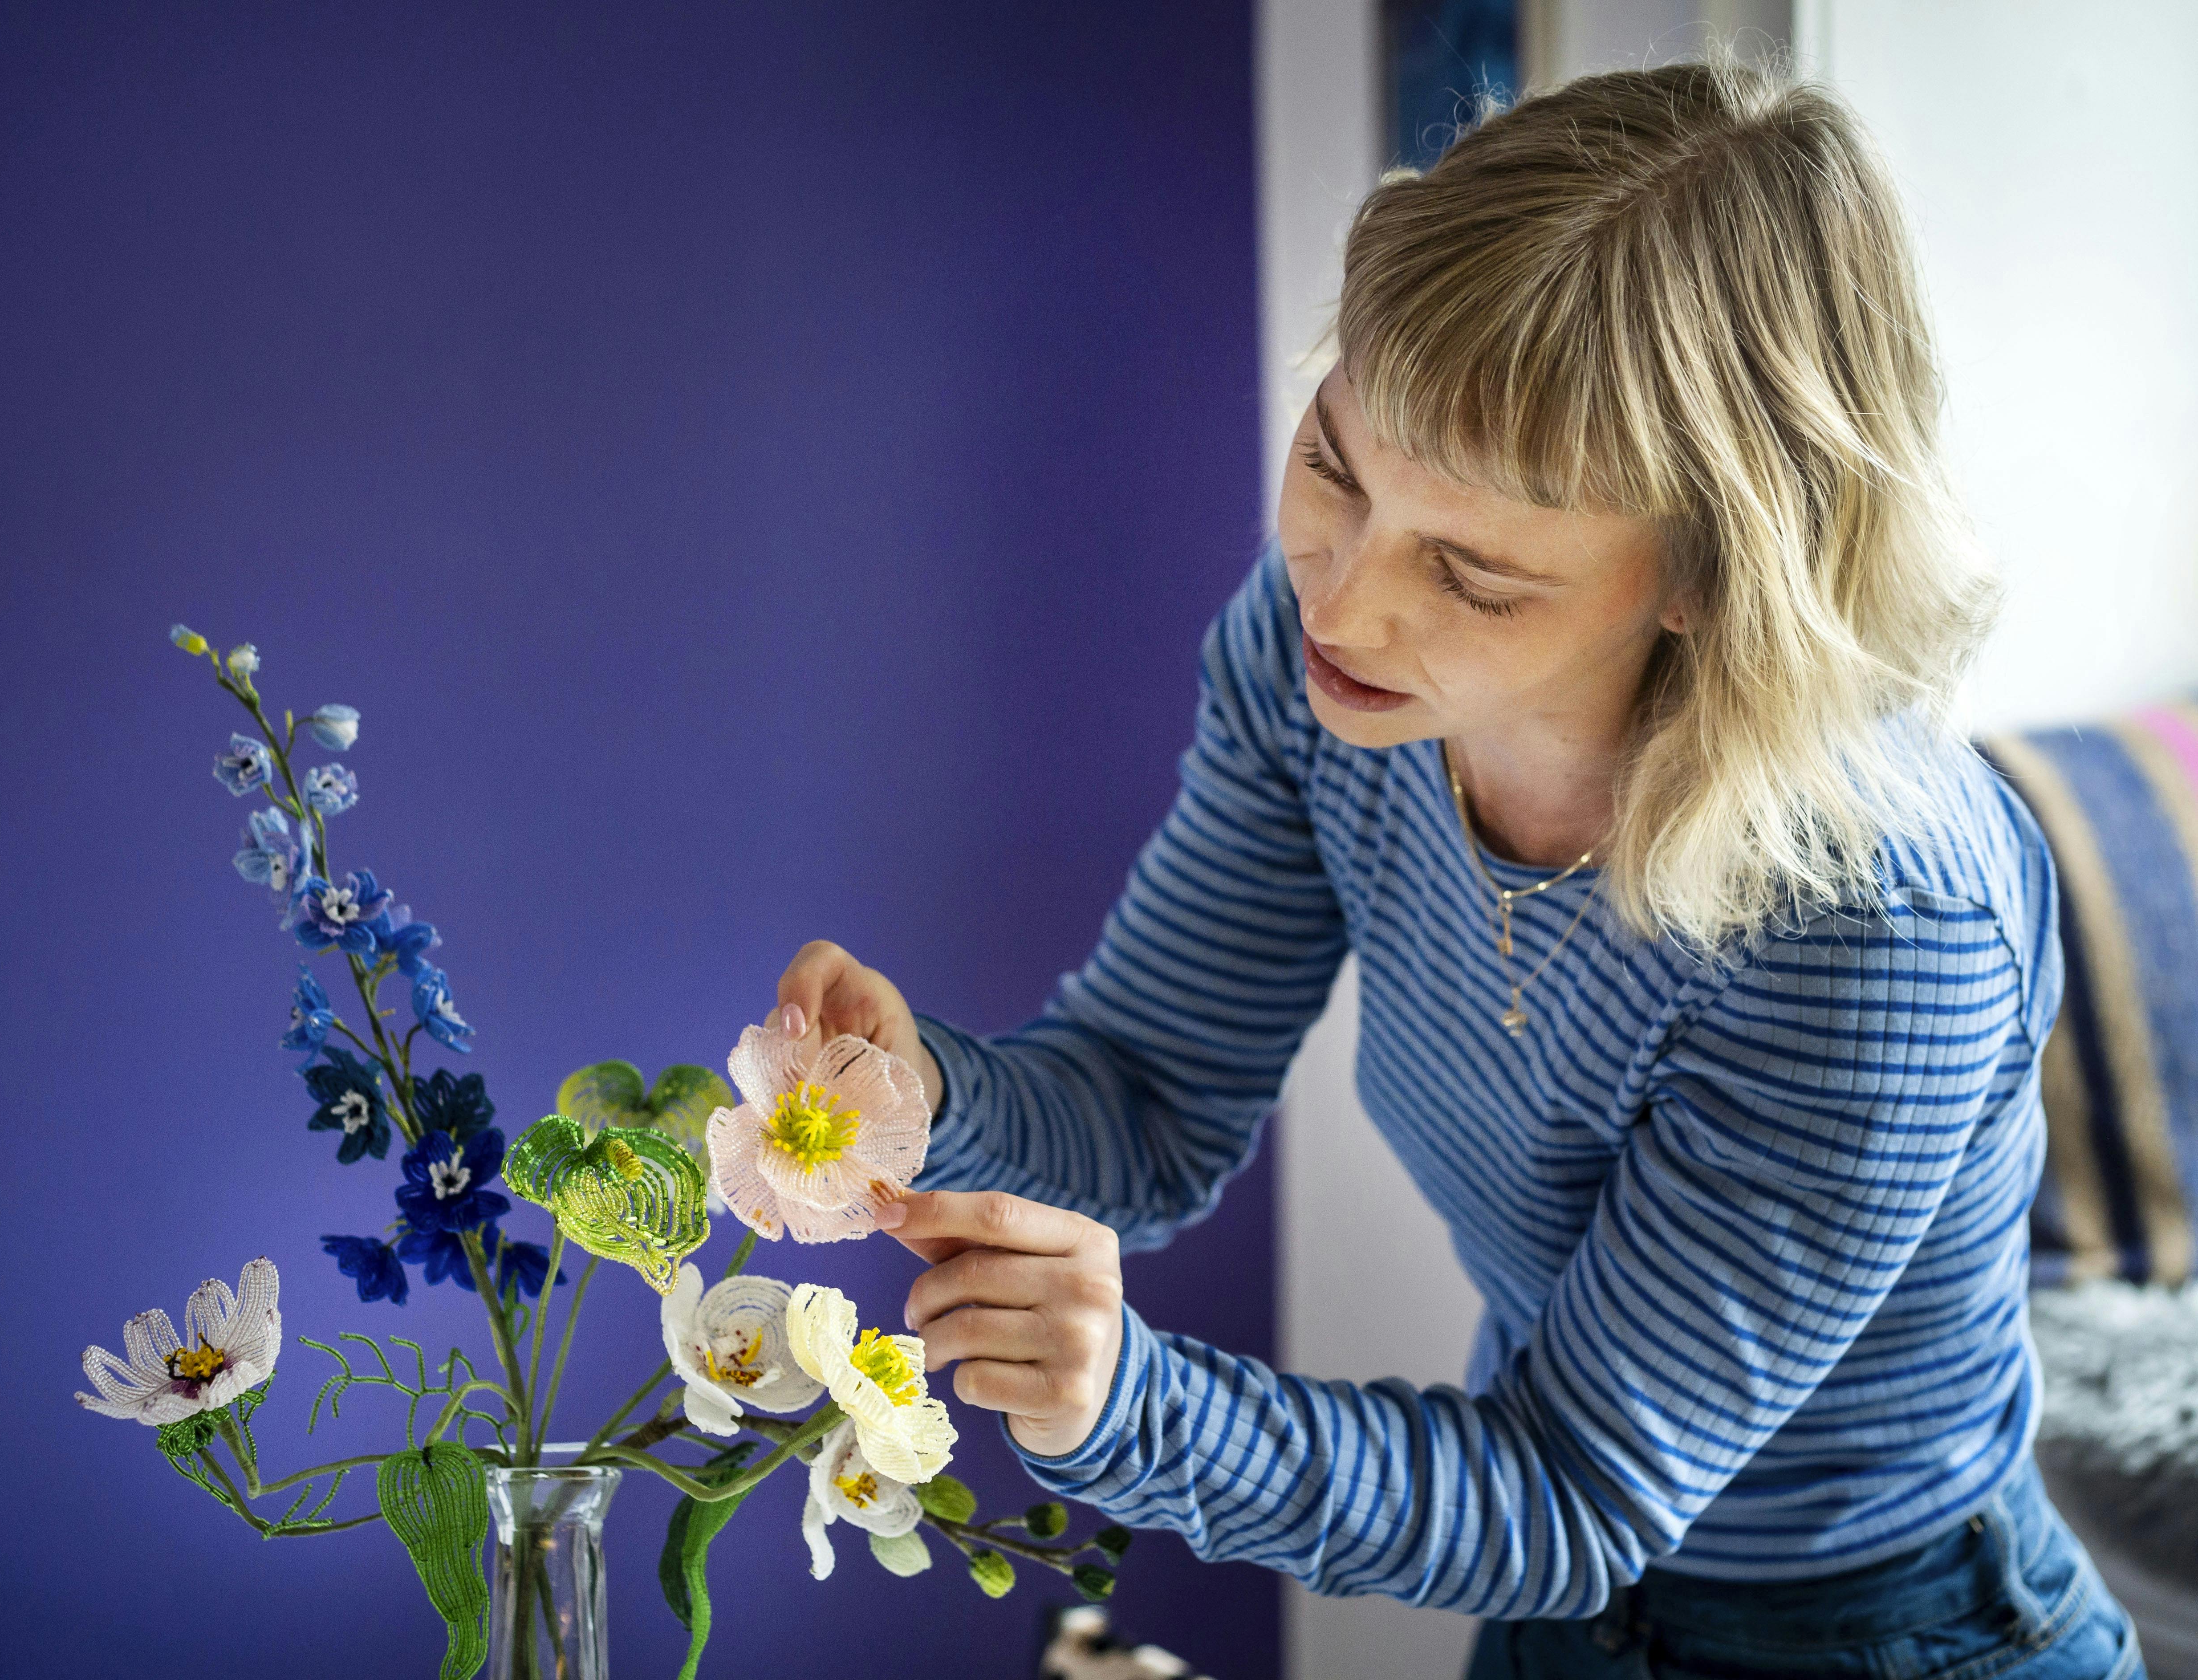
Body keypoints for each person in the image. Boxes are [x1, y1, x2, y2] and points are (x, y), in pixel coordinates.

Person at [767, 50, 2144, 1680]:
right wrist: (925, 1089)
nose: (1343, 606)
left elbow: (1569, 1488)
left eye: (1473, 577)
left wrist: (1129, 1402)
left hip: (1881, 1639)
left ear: (1713, 577)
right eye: (1336, 466)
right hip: (1557, 1625)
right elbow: (1146, 1092)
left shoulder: (1875, 919)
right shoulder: (1320, 663)